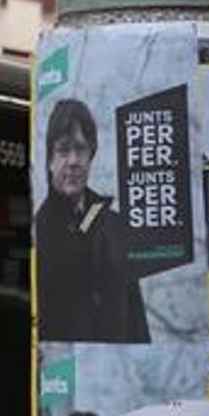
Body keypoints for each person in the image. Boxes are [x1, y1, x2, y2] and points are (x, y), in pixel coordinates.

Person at [35, 99, 149, 343]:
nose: (74, 161)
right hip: (68, 372)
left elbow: (136, 316)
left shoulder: (116, 225)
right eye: (64, 150)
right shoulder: (38, 230)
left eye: (81, 149)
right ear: (50, 160)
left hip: (117, 369)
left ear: (91, 155)